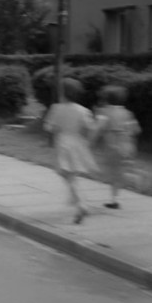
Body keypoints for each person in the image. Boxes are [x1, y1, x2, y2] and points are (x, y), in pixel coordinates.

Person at [44, 78, 102, 224]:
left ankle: (81, 204)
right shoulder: (83, 110)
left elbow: (49, 127)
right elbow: (90, 127)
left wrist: (56, 127)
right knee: (72, 176)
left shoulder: (56, 108)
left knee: (68, 176)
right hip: (77, 143)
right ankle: (80, 201)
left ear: (62, 93)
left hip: (63, 143)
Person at [96, 85, 141, 209]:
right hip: (127, 145)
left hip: (112, 146)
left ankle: (133, 179)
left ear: (106, 99)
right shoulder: (127, 113)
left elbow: (99, 127)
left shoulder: (105, 112)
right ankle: (114, 200)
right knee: (118, 172)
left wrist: (91, 139)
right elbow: (136, 129)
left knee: (113, 173)